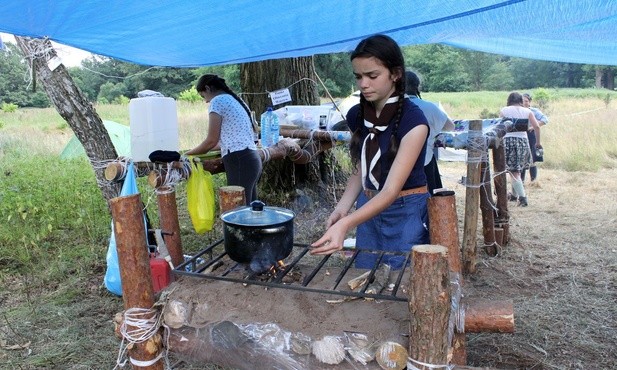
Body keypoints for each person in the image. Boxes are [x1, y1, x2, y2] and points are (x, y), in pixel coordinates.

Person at [310, 34, 430, 269]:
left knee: (403, 277)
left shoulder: (414, 122)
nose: (363, 84)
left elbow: (390, 190)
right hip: (368, 206)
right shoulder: (357, 114)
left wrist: (346, 225)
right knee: (367, 273)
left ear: (395, 74)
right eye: (358, 77)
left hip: (405, 209)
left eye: (372, 76)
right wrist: (342, 210)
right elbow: (363, 168)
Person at [185, 74, 262, 204]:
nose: (206, 101)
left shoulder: (217, 101)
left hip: (239, 160)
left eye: (203, 96)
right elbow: (223, 141)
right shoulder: (235, 100)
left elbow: (211, 141)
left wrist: (186, 154)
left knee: (237, 210)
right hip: (251, 159)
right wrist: (197, 149)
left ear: (208, 88)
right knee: (250, 212)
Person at [405, 70, 454, 194]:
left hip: (396, 164)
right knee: (430, 199)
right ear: (417, 86)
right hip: (425, 160)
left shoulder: (392, 108)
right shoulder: (429, 107)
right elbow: (450, 126)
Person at [500, 92, 542, 207]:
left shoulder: (504, 110)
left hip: (508, 141)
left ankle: (523, 198)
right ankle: (514, 195)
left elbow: (500, 127)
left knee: (513, 171)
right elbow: (537, 127)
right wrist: (538, 143)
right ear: (520, 100)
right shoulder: (527, 111)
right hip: (523, 141)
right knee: (516, 170)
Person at [522, 93, 548, 183]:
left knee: (532, 158)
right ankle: (521, 181)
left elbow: (545, 119)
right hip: (521, 136)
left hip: (531, 136)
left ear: (529, 102)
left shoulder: (533, 111)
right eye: (522, 101)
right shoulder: (518, 111)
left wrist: (534, 126)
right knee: (522, 159)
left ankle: (533, 181)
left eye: (526, 101)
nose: (524, 103)